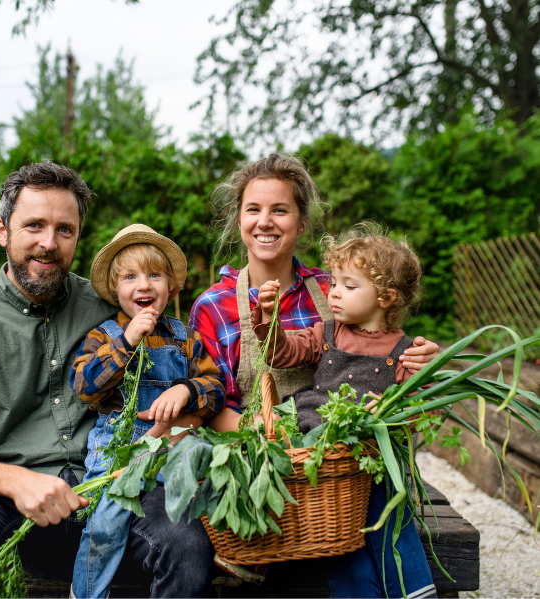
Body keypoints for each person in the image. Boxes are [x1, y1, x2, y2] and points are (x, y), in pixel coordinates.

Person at [0, 163, 215, 598]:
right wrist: (19, 481)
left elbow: (184, 366)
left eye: (65, 229)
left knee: (186, 541)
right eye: (33, 226)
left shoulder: (109, 305)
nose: (48, 243)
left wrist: (184, 412)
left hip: (117, 482)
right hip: (13, 498)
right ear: (3, 231)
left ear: (78, 236)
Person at [189, 154, 439, 597]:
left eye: (280, 210)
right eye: (253, 209)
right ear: (239, 219)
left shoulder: (336, 289)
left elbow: (384, 349)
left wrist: (419, 361)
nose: (265, 221)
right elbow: (212, 404)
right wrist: (276, 448)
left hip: (337, 484)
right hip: (264, 476)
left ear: (301, 223)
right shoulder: (213, 305)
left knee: (352, 564)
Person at [70, 224, 225, 599]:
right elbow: (85, 387)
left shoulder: (185, 337)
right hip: (119, 451)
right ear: (116, 289)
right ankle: (86, 593)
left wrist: (188, 389)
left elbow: (216, 389)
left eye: (155, 275)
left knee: (206, 499)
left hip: (171, 449)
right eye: (130, 277)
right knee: (105, 523)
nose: (144, 285)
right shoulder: (105, 335)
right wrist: (127, 342)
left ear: (171, 286)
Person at [254, 224, 422, 432]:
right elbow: (280, 355)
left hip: (366, 449)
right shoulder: (326, 334)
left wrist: (390, 410)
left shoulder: (404, 353)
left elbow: (425, 410)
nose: (334, 293)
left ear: (386, 297)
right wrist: (269, 315)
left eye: (349, 286)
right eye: (334, 284)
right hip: (312, 431)